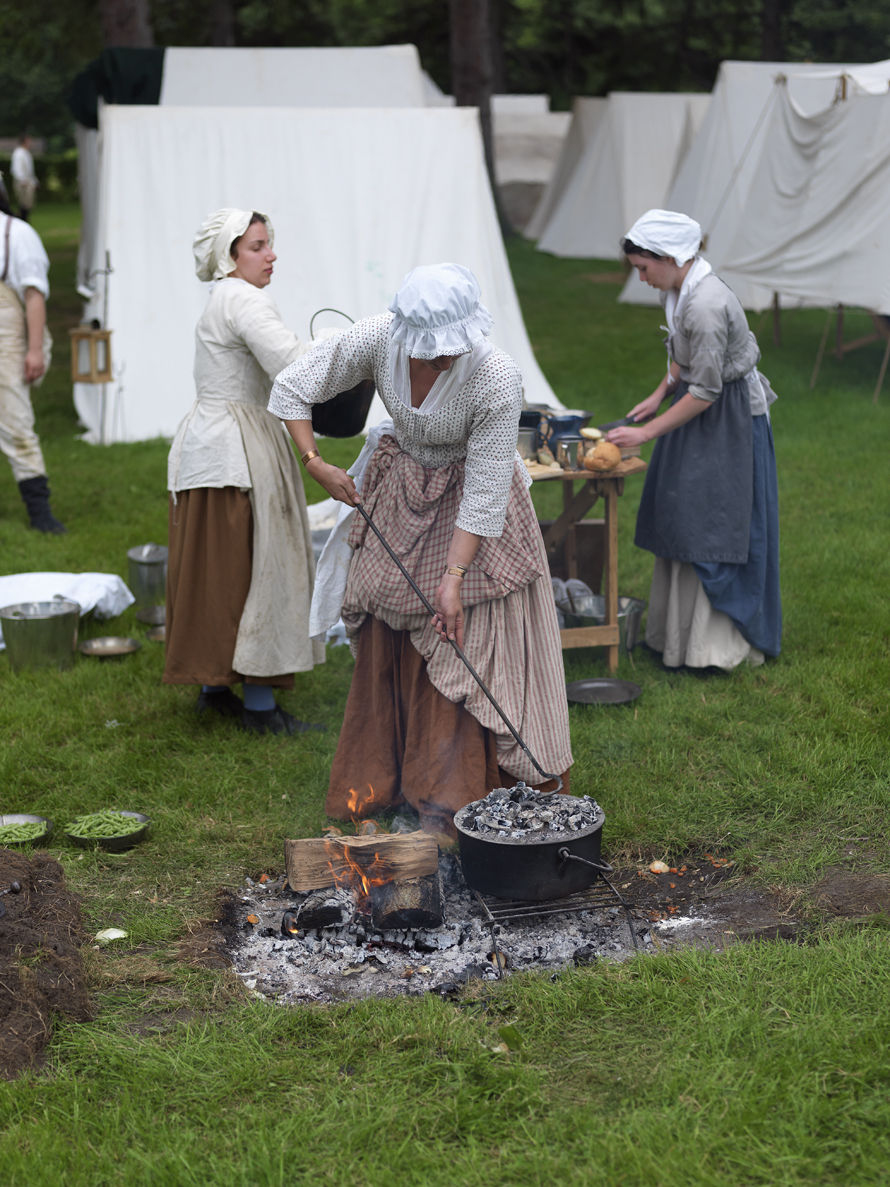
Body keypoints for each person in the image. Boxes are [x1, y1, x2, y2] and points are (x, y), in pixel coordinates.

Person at [269, 262, 573, 837]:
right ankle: (382, 774)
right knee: (384, 601)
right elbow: (293, 386)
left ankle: (451, 789)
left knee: (463, 631)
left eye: (452, 350)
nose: (444, 360)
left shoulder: (496, 377)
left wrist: (454, 580)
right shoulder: (381, 336)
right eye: (433, 352)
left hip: (472, 508)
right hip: (405, 485)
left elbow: (485, 493)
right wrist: (315, 464)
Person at [164, 208, 325, 734]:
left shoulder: (222, 299)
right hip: (236, 450)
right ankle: (259, 709)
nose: (271, 254)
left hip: (210, 447)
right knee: (260, 570)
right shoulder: (243, 298)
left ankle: (215, 689)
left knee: (219, 572)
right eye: (257, 246)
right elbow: (293, 363)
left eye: (268, 244)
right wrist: (355, 350)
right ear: (229, 256)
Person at [607, 209, 782, 670]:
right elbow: (686, 363)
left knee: (712, 518)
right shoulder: (681, 290)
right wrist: (660, 392)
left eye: (644, 268)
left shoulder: (706, 305)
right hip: (698, 409)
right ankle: (677, 638)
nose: (641, 278)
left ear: (670, 257)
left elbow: (706, 390)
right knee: (683, 513)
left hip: (727, 421)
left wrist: (645, 431)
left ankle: (714, 646)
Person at [0, 188, 65, 533]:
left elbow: (33, 294)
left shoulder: (18, 234)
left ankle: (40, 514)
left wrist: (34, 349)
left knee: (16, 423)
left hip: (6, 340)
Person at [10, 136, 38, 222]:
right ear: (24, 142)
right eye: (29, 141)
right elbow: (16, 168)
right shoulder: (18, 153)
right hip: (22, 182)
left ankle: (23, 219)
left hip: (28, 181)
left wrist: (35, 181)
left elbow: (30, 170)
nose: (30, 144)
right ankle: (22, 219)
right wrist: (22, 180)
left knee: (28, 203)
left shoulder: (26, 153)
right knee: (24, 203)